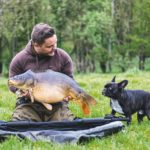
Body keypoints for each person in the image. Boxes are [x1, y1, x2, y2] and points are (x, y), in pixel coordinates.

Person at [9, 23, 76, 122]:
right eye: (49, 46)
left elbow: (70, 81)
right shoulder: (19, 60)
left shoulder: (63, 57)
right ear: (36, 44)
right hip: (29, 105)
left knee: (67, 126)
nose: (54, 48)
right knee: (19, 126)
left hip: (57, 105)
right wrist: (22, 92)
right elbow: (12, 84)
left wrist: (69, 95)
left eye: (55, 43)